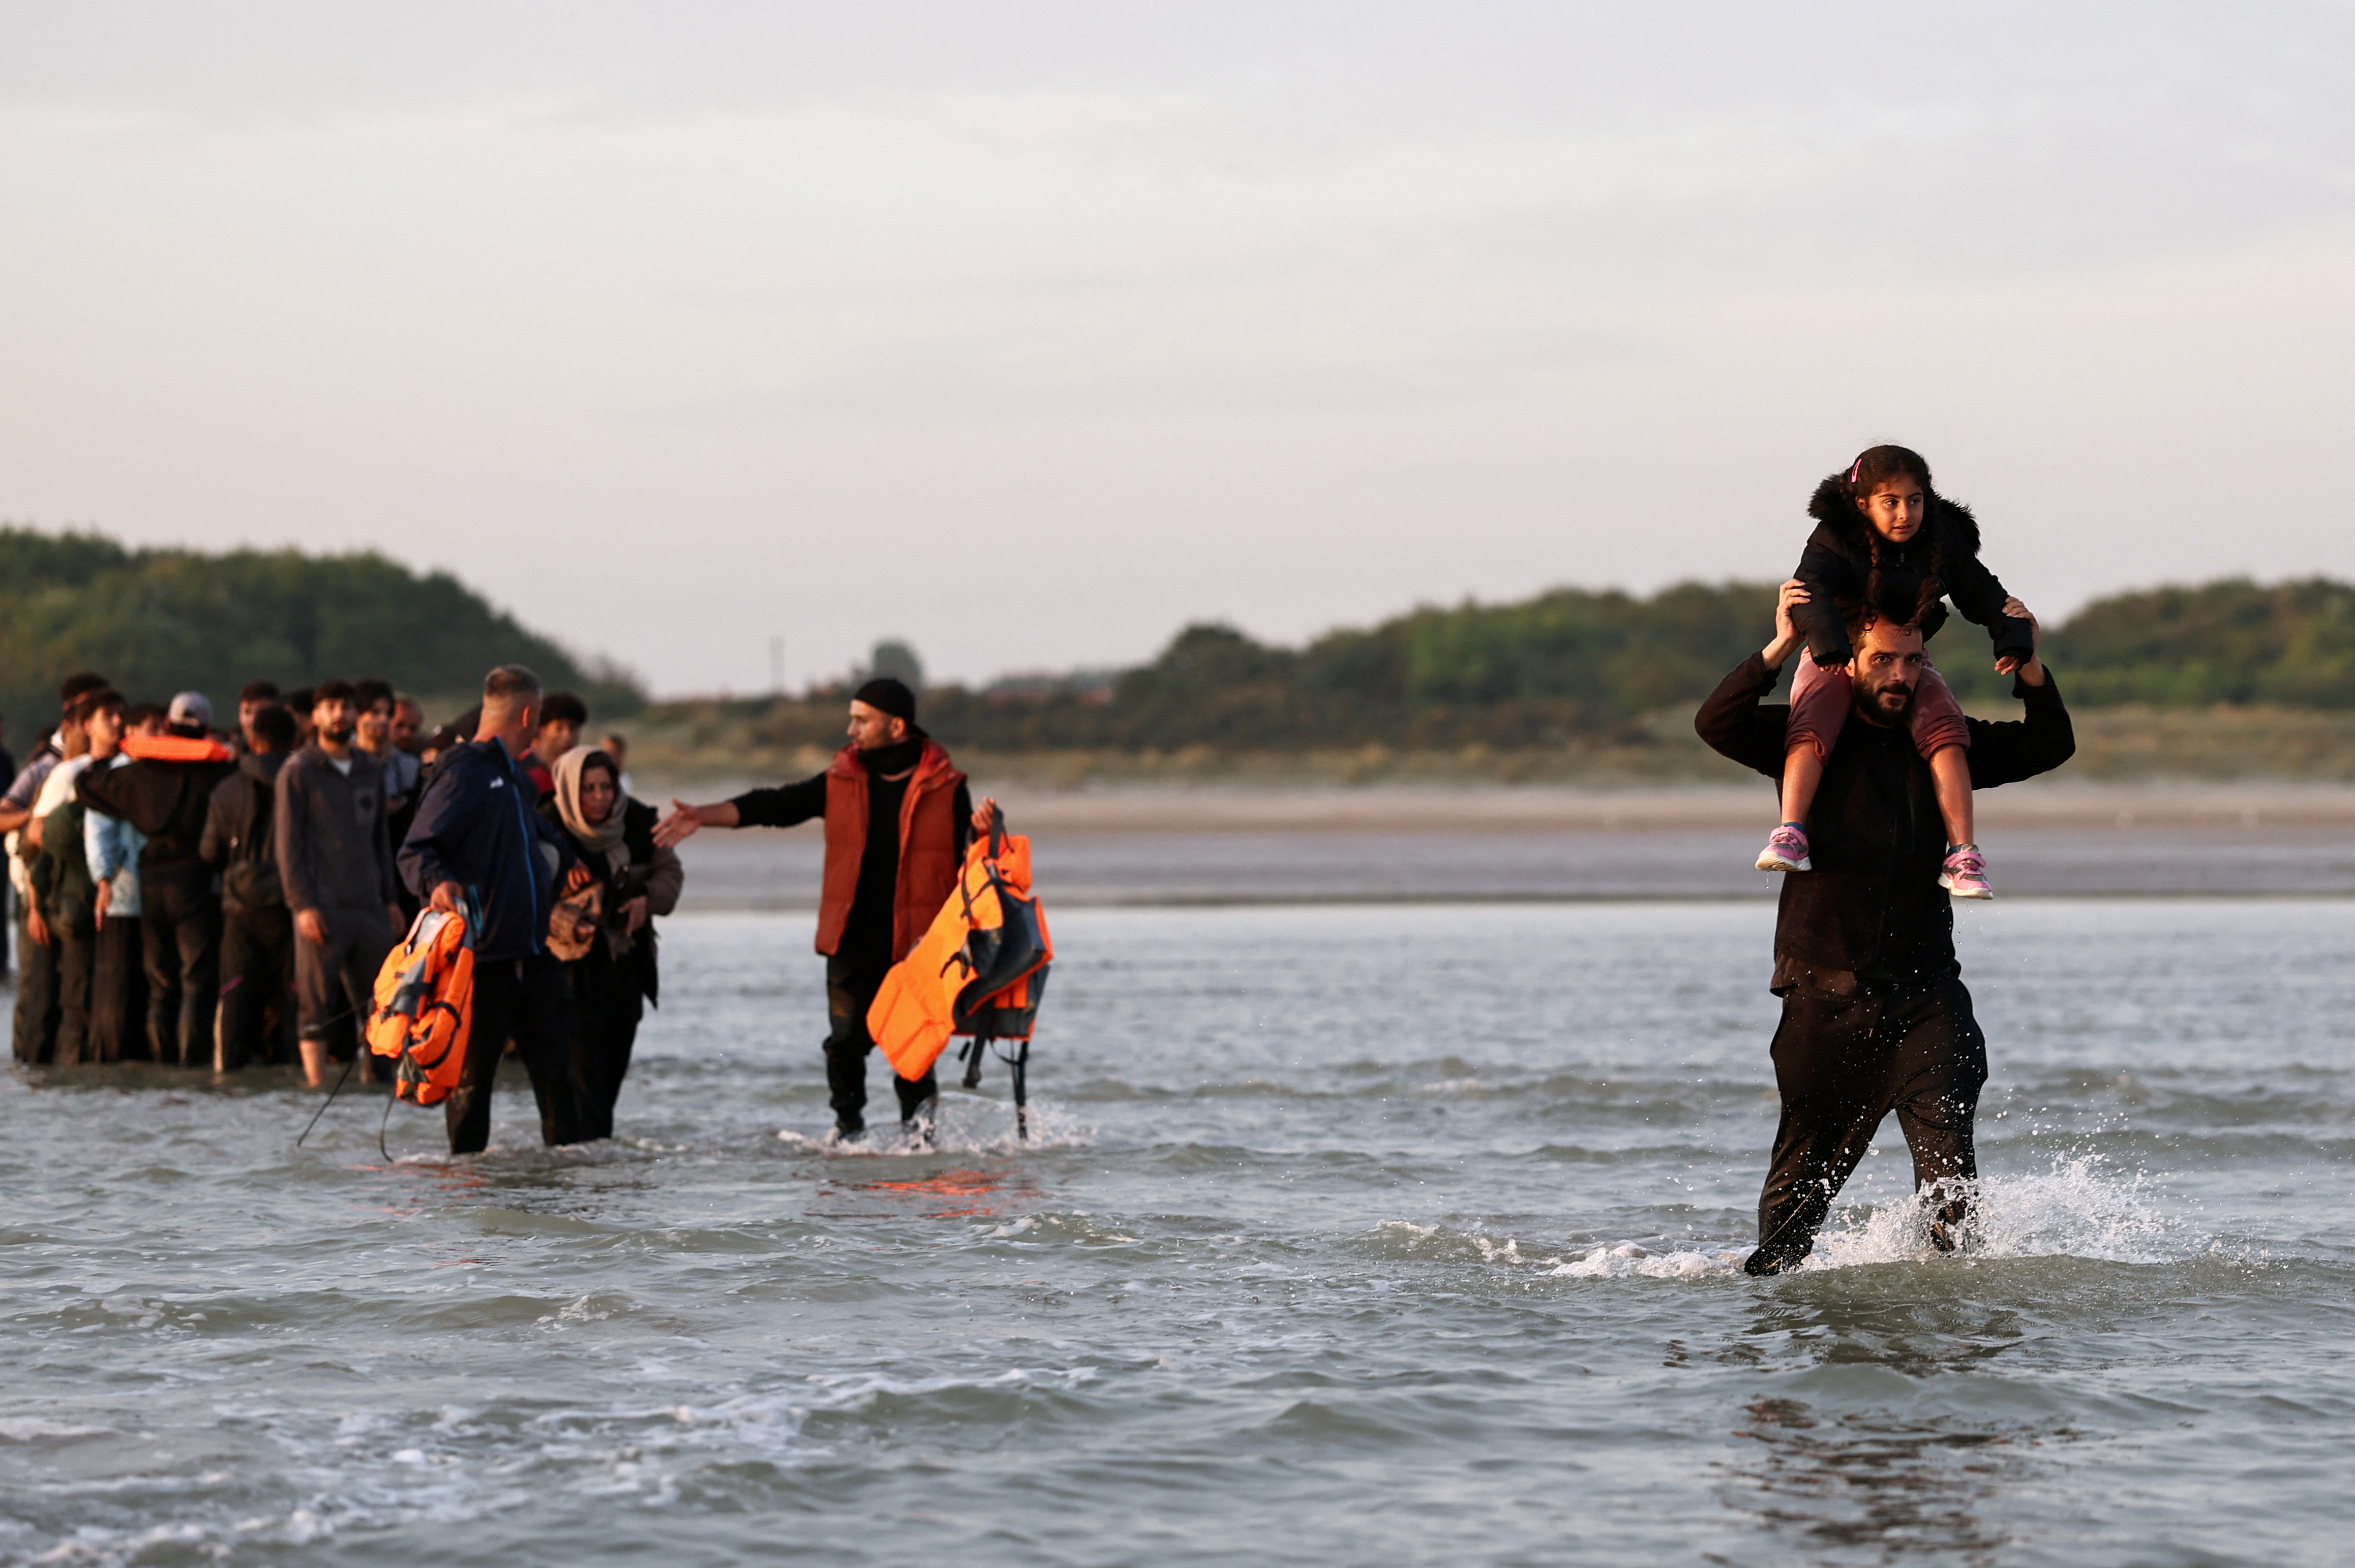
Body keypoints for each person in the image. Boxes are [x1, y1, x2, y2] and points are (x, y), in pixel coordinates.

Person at [1697, 580, 2073, 1275]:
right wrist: (1780, 644)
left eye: (1911, 660)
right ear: (1849, 660)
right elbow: (1717, 723)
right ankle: (1774, 1308)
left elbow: (2051, 745)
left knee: (1951, 1184)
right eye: (1881, 660)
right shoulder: (1805, 739)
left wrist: (2029, 669)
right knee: (1795, 1215)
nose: (1898, 675)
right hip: (1822, 1000)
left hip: (1925, 998)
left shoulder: (1945, 747)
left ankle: (1946, 1324)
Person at [654, 677, 993, 1144]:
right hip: (851, 938)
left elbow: (975, 863)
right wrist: (703, 815)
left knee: (913, 1053)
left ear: (896, 725)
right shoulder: (841, 780)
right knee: (844, 1045)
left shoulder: (947, 786)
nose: (851, 728)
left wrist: (989, 833)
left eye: (861, 719)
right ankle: (848, 1132)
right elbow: (776, 804)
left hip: (918, 945)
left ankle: (920, 1145)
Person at [1756, 446, 2037, 901]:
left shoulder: (1943, 537)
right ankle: (1791, 831)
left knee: (1947, 731)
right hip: (1837, 652)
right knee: (1812, 723)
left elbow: (1982, 591)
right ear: (1864, 504)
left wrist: (2015, 639)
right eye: (1891, 502)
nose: (1905, 514)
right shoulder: (1835, 535)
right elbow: (1809, 591)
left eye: (1916, 500)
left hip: (1905, 656)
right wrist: (1829, 647)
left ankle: (1963, 854)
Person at [399, 664, 584, 1153]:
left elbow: (533, 835)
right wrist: (437, 883)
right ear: (528, 714)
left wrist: (568, 858)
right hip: (481, 963)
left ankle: (568, 1184)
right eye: (540, 718)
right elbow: (416, 851)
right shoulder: (464, 772)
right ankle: (467, 1186)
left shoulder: (515, 776)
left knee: (558, 1081)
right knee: (472, 1085)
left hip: (533, 955)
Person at [76, 691, 237, 1066]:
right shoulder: (220, 774)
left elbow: (88, 785)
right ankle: (191, 1063)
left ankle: (163, 1063)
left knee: (160, 982)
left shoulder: (137, 774)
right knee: (197, 980)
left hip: (150, 885)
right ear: (208, 728)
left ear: (167, 726)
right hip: (196, 884)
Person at [542, 746, 683, 1140]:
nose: (601, 796)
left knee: (610, 1080)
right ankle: (581, 1169)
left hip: (626, 966)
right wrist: (566, 918)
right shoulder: (546, 826)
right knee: (578, 1080)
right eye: (589, 788)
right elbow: (526, 891)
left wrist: (647, 899)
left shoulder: (639, 820)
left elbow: (671, 873)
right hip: (567, 972)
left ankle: (599, 1164)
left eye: (607, 786)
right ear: (570, 788)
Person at [276, 681, 403, 1088]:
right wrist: (302, 904)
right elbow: (288, 844)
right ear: (315, 716)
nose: (339, 715)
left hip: (370, 905)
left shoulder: (370, 769)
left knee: (382, 1002)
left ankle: (378, 1080)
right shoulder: (299, 770)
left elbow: (381, 839)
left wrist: (391, 899)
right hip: (322, 906)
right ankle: (316, 1085)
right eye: (330, 707)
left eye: (346, 707)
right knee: (316, 1002)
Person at [4, 673, 110, 1062]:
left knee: (70, 990)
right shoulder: (48, 769)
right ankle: (28, 1061)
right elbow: (23, 835)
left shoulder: (100, 768)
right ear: (74, 719)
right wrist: (35, 819)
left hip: (76, 897)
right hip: (42, 894)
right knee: (37, 990)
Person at [203, 703, 299, 1070]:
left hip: (240, 907)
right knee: (294, 994)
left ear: (253, 741)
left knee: (234, 994)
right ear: (294, 740)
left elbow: (209, 850)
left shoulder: (226, 789)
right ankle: (299, 1071)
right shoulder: (305, 783)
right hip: (291, 906)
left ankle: (229, 1072)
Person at [80, 694, 147, 1061]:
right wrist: (102, 879)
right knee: (114, 988)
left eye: (123, 715)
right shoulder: (110, 776)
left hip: (148, 897)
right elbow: (98, 832)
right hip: (118, 896)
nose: (119, 723)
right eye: (111, 715)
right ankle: (108, 1064)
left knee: (136, 988)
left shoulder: (150, 772)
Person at [521, 691, 586, 797]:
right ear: (542, 730)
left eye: (573, 728)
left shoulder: (583, 774)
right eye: (559, 728)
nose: (567, 736)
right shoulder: (522, 770)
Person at [236, 681, 282, 753]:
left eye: (261, 713)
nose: (253, 720)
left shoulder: (295, 760)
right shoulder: (229, 756)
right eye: (247, 712)